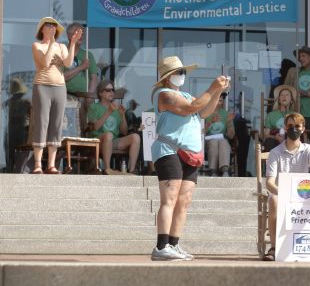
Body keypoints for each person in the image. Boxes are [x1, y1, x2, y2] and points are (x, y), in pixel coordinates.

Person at [150, 56, 229, 261]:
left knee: (184, 201)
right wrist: (212, 88)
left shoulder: (184, 94)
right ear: (167, 77)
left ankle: (173, 245)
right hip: (169, 150)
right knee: (169, 198)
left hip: (190, 153)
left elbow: (204, 112)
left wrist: (218, 91)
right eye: (178, 72)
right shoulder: (163, 94)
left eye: (183, 72)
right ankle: (161, 246)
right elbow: (191, 107)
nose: (182, 75)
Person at [263, 112, 310, 261]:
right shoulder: (275, 153)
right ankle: (275, 247)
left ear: (303, 129)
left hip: (303, 195)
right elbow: (269, 183)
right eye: (290, 126)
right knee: (273, 200)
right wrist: (284, 195)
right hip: (281, 193)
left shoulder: (308, 148)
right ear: (285, 128)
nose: (293, 129)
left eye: (297, 126)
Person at [30, 17, 80, 174]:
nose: (52, 28)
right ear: (42, 29)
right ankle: (38, 164)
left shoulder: (61, 46)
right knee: (42, 123)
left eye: (54, 26)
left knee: (56, 124)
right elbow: (44, 63)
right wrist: (51, 43)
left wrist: (72, 43)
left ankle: (51, 164)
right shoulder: (37, 45)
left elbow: (68, 63)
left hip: (59, 88)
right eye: (48, 26)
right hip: (42, 87)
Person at [86, 80, 141, 175]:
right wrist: (108, 112)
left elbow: (123, 132)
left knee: (135, 137)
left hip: (113, 141)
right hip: (98, 140)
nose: (111, 92)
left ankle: (131, 170)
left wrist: (122, 115)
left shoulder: (116, 109)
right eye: (108, 90)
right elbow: (95, 127)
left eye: (112, 90)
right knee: (108, 135)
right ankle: (107, 168)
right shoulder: (94, 107)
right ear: (100, 93)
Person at [283, 46, 310, 161]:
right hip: (295, 113)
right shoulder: (293, 71)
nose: (300, 58)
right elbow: (285, 90)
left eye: (303, 56)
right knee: (292, 140)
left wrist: (305, 93)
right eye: (299, 56)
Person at [203, 92, 235, 177]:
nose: (221, 98)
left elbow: (231, 136)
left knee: (224, 142)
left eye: (223, 97)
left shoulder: (226, 114)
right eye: (218, 96)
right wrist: (210, 122)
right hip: (207, 141)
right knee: (213, 142)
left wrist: (229, 123)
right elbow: (201, 132)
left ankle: (225, 170)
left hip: (221, 140)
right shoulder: (205, 113)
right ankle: (213, 171)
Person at [63, 22, 98, 94]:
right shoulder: (61, 53)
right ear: (69, 36)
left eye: (82, 34)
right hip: (67, 96)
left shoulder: (88, 55)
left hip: (85, 96)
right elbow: (60, 78)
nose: (81, 36)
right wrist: (81, 67)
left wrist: (90, 96)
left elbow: (94, 78)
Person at [4, 78, 31, 172]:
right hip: (22, 130)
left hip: (11, 130)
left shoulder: (8, 102)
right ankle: (20, 169)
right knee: (22, 152)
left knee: (10, 152)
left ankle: (11, 169)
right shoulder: (26, 101)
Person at [262, 84, 298, 152]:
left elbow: (298, 132)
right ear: (279, 100)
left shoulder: (296, 115)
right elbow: (266, 134)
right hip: (275, 139)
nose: (284, 96)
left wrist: (287, 138)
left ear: (291, 100)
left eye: (287, 95)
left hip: (290, 139)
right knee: (269, 141)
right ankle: (273, 162)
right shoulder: (271, 115)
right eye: (282, 95)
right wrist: (275, 137)